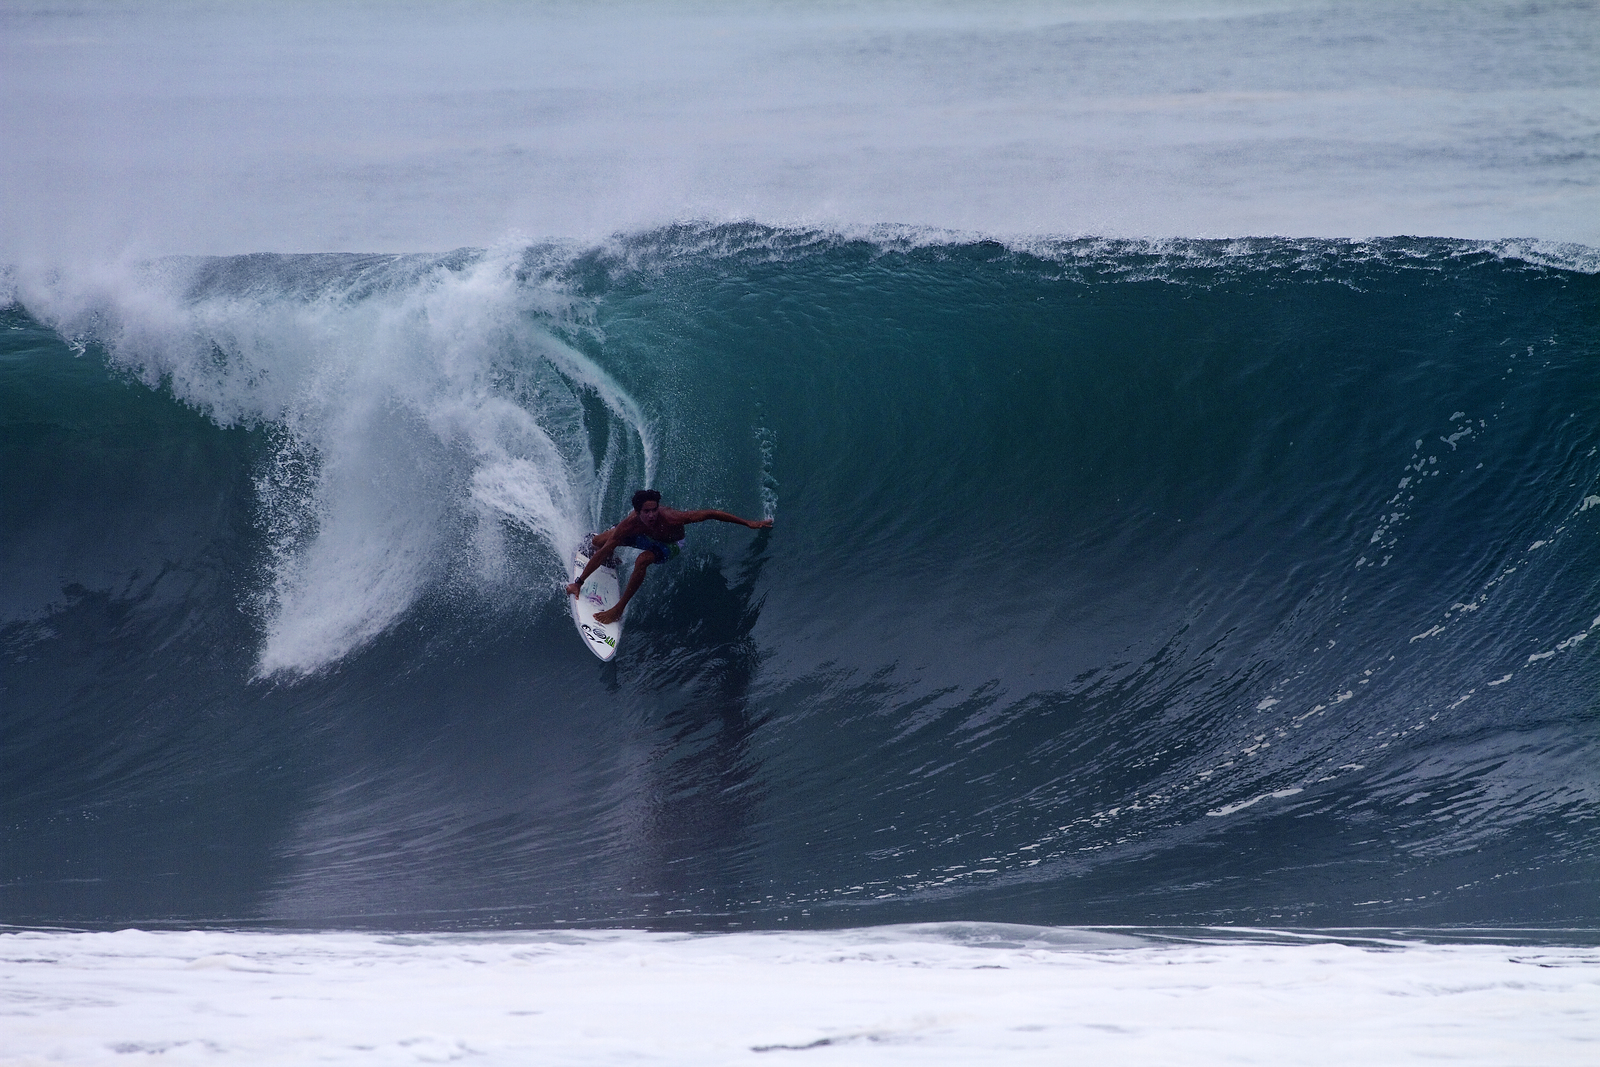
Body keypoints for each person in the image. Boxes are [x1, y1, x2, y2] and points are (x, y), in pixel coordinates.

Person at [568, 489, 773, 625]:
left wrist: (748, 523)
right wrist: (579, 583)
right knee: (599, 543)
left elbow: (711, 513)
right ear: (637, 512)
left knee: (642, 559)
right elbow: (603, 549)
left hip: (669, 545)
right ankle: (612, 560)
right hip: (642, 535)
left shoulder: (672, 518)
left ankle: (619, 608)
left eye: (654, 510)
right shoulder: (630, 524)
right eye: (646, 511)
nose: (651, 515)